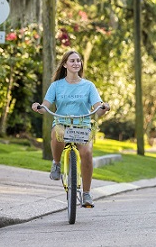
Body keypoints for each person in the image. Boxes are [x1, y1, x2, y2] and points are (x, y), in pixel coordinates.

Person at [31, 50, 110, 208]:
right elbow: (45, 106)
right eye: (72, 61)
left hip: (82, 125)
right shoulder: (56, 86)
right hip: (62, 122)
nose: (76, 63)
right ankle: (56, 163)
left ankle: (86, 194)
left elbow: (98, 109)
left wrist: (104, 107)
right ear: (65, 64)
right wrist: (38, 107)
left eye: (78, 61)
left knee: (87, 153)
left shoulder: (88, 86)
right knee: (57, 133)